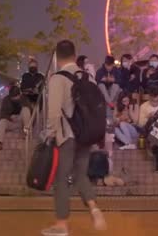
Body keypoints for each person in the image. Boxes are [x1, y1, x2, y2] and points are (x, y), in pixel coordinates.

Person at [41, 40, 106, 236]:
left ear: (56, 57)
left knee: (61, 179)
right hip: (86, 135)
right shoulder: (88, 77)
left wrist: (50, 134)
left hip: (67, 136)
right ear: (74, 54)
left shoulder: (57, 78)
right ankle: (94, 208)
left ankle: (61, 225)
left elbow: (53, 113)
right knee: (80, 174)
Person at [0, 85, 31, 150]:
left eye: (16, 96)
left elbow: (30, 112)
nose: (14, 98)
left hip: (21, 122)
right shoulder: (6, 100)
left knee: (26, 109)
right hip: (11, 121)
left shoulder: (24, 99)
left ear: (19, 95)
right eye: (13, 97)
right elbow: (2, 114)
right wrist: (9, 117)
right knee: (2, 121)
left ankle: (26, 132)